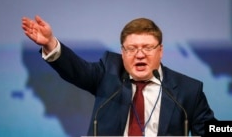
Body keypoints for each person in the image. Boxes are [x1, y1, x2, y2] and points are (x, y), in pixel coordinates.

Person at [21, 15, 216, 137]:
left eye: (147, 48)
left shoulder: (187, 89)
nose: (139, 54)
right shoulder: (109, 72)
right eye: (131, 48)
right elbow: (76, 70)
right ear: (122, 53)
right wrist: (50, 44)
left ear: (160, 51)